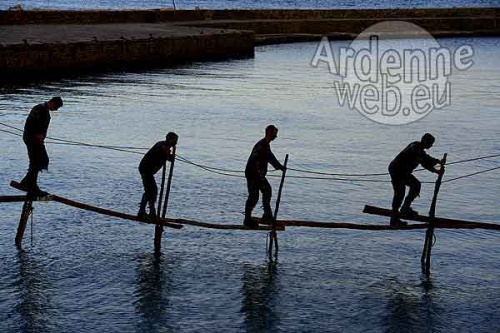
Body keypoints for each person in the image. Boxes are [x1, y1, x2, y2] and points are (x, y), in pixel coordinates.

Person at [388, 133, 444, 226]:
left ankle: (404, 209)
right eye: (430, 143)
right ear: (425, 141)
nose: (431, 145)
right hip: (397, 170)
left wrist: (436, 171)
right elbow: (424, 159)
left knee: (415, 185)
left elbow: (425, 163)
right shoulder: (415, 147)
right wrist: (438, 161)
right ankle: (396, 217)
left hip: (403, 172)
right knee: (400, 192)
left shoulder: (420, 150)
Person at [20, 96, 63, 196]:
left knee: (43, 160)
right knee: (36, 161)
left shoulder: (44, 110)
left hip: (37, 140)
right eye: (56, 107)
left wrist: (41, 136)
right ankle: (31, 185)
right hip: (32, 139)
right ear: (52, 102)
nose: (56, 110)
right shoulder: (39, 109)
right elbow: (31, 124)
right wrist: (36, 135)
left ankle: (27, 182)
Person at [244, 125, 286, 228]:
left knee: (263, 192)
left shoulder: (264, 144)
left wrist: (279, 166)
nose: (276, 136)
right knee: (258, 194)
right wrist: (280, 167)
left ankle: (264, 216)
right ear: (269, 133)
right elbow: (270, 158)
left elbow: (269, 157)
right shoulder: (262, 145)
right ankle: (251, 219)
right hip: (254, 174)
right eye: (275, 134)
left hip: (256, 174)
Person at [138, 132, 178, 219]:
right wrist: (168, 156)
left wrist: (169, 156)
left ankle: (151, 212)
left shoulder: (166, 147)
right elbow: (162, 153)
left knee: (153, 191)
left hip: (149, 172)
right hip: (146, 169)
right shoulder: (160, 145)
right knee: (150, 191)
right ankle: (142, 212)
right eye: (174, 141)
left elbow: (166, 155)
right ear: (169, 139)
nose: (176, 143)